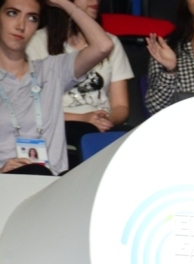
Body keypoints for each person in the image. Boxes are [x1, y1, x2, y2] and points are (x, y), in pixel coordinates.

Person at [0, 0, 113, 175]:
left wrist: (64, 3)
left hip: (53, 184)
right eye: (12, 13)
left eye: (32, 18)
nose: (21, 25)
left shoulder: (51, 69)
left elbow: (103, 46)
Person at [26, 0, 133, 148]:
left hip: (103, 125)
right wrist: (83, 118)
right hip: (60, 124)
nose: (95, 1)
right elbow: (33, 109)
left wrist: (106, 121)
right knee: (85, 132)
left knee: (135, 136)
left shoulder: (111, 41)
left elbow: (121, 106)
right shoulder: (35, 43)